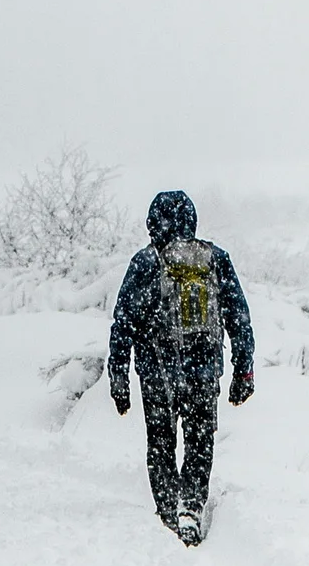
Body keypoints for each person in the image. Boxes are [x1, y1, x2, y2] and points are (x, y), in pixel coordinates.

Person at [108, 189, 254, 544]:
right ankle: (190, 508)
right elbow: (239, 318)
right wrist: (243, 370)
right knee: (199, 441)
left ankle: (169, 510)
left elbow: (122, 322)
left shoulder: (145, 263)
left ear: (151, 223)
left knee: (160, 441)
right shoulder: (214, 259)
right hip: (203, 372)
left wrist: (119, 378)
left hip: (157, 373)